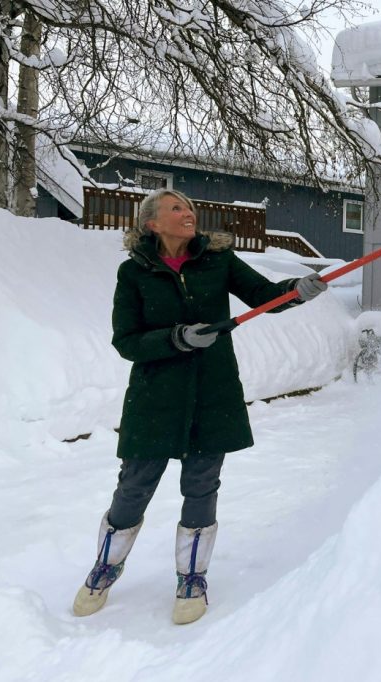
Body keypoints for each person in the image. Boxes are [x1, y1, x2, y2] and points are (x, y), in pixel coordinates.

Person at [71, 188, 327, 625]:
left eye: (189, 206)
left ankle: (191, 577)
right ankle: (106, 566)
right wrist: (176, 338)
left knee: (202, 485)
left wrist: (297, 291)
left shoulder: (218, 260)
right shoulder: (134, 273)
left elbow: (265, 295)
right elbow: (126, 340)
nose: (188, 212)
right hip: (156, 396)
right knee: (134, 487)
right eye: (177, 208)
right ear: (152, 223)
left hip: (213, 393)